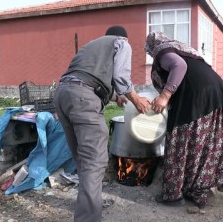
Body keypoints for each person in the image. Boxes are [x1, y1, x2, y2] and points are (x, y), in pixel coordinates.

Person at [53, 26, 151, 222]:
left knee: (83, 160)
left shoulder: (92, 45)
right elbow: (121, 77)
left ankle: (90, 204)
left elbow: (86, 77)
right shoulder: (122, 43)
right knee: (94, 162)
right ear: (123, 37)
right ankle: (88, 217)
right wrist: (135, 99)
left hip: (62, 95)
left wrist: (116, 97)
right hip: (84, 100)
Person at [144, 31, 223, 208]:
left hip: (195, 96)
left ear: (152, 47)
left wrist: (165, 95)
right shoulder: (184, 50)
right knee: (205, 144)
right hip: (217, 92)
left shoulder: (164, 51)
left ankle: (174, 195)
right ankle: (198, 189)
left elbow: (179, 66)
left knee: (179, 142)